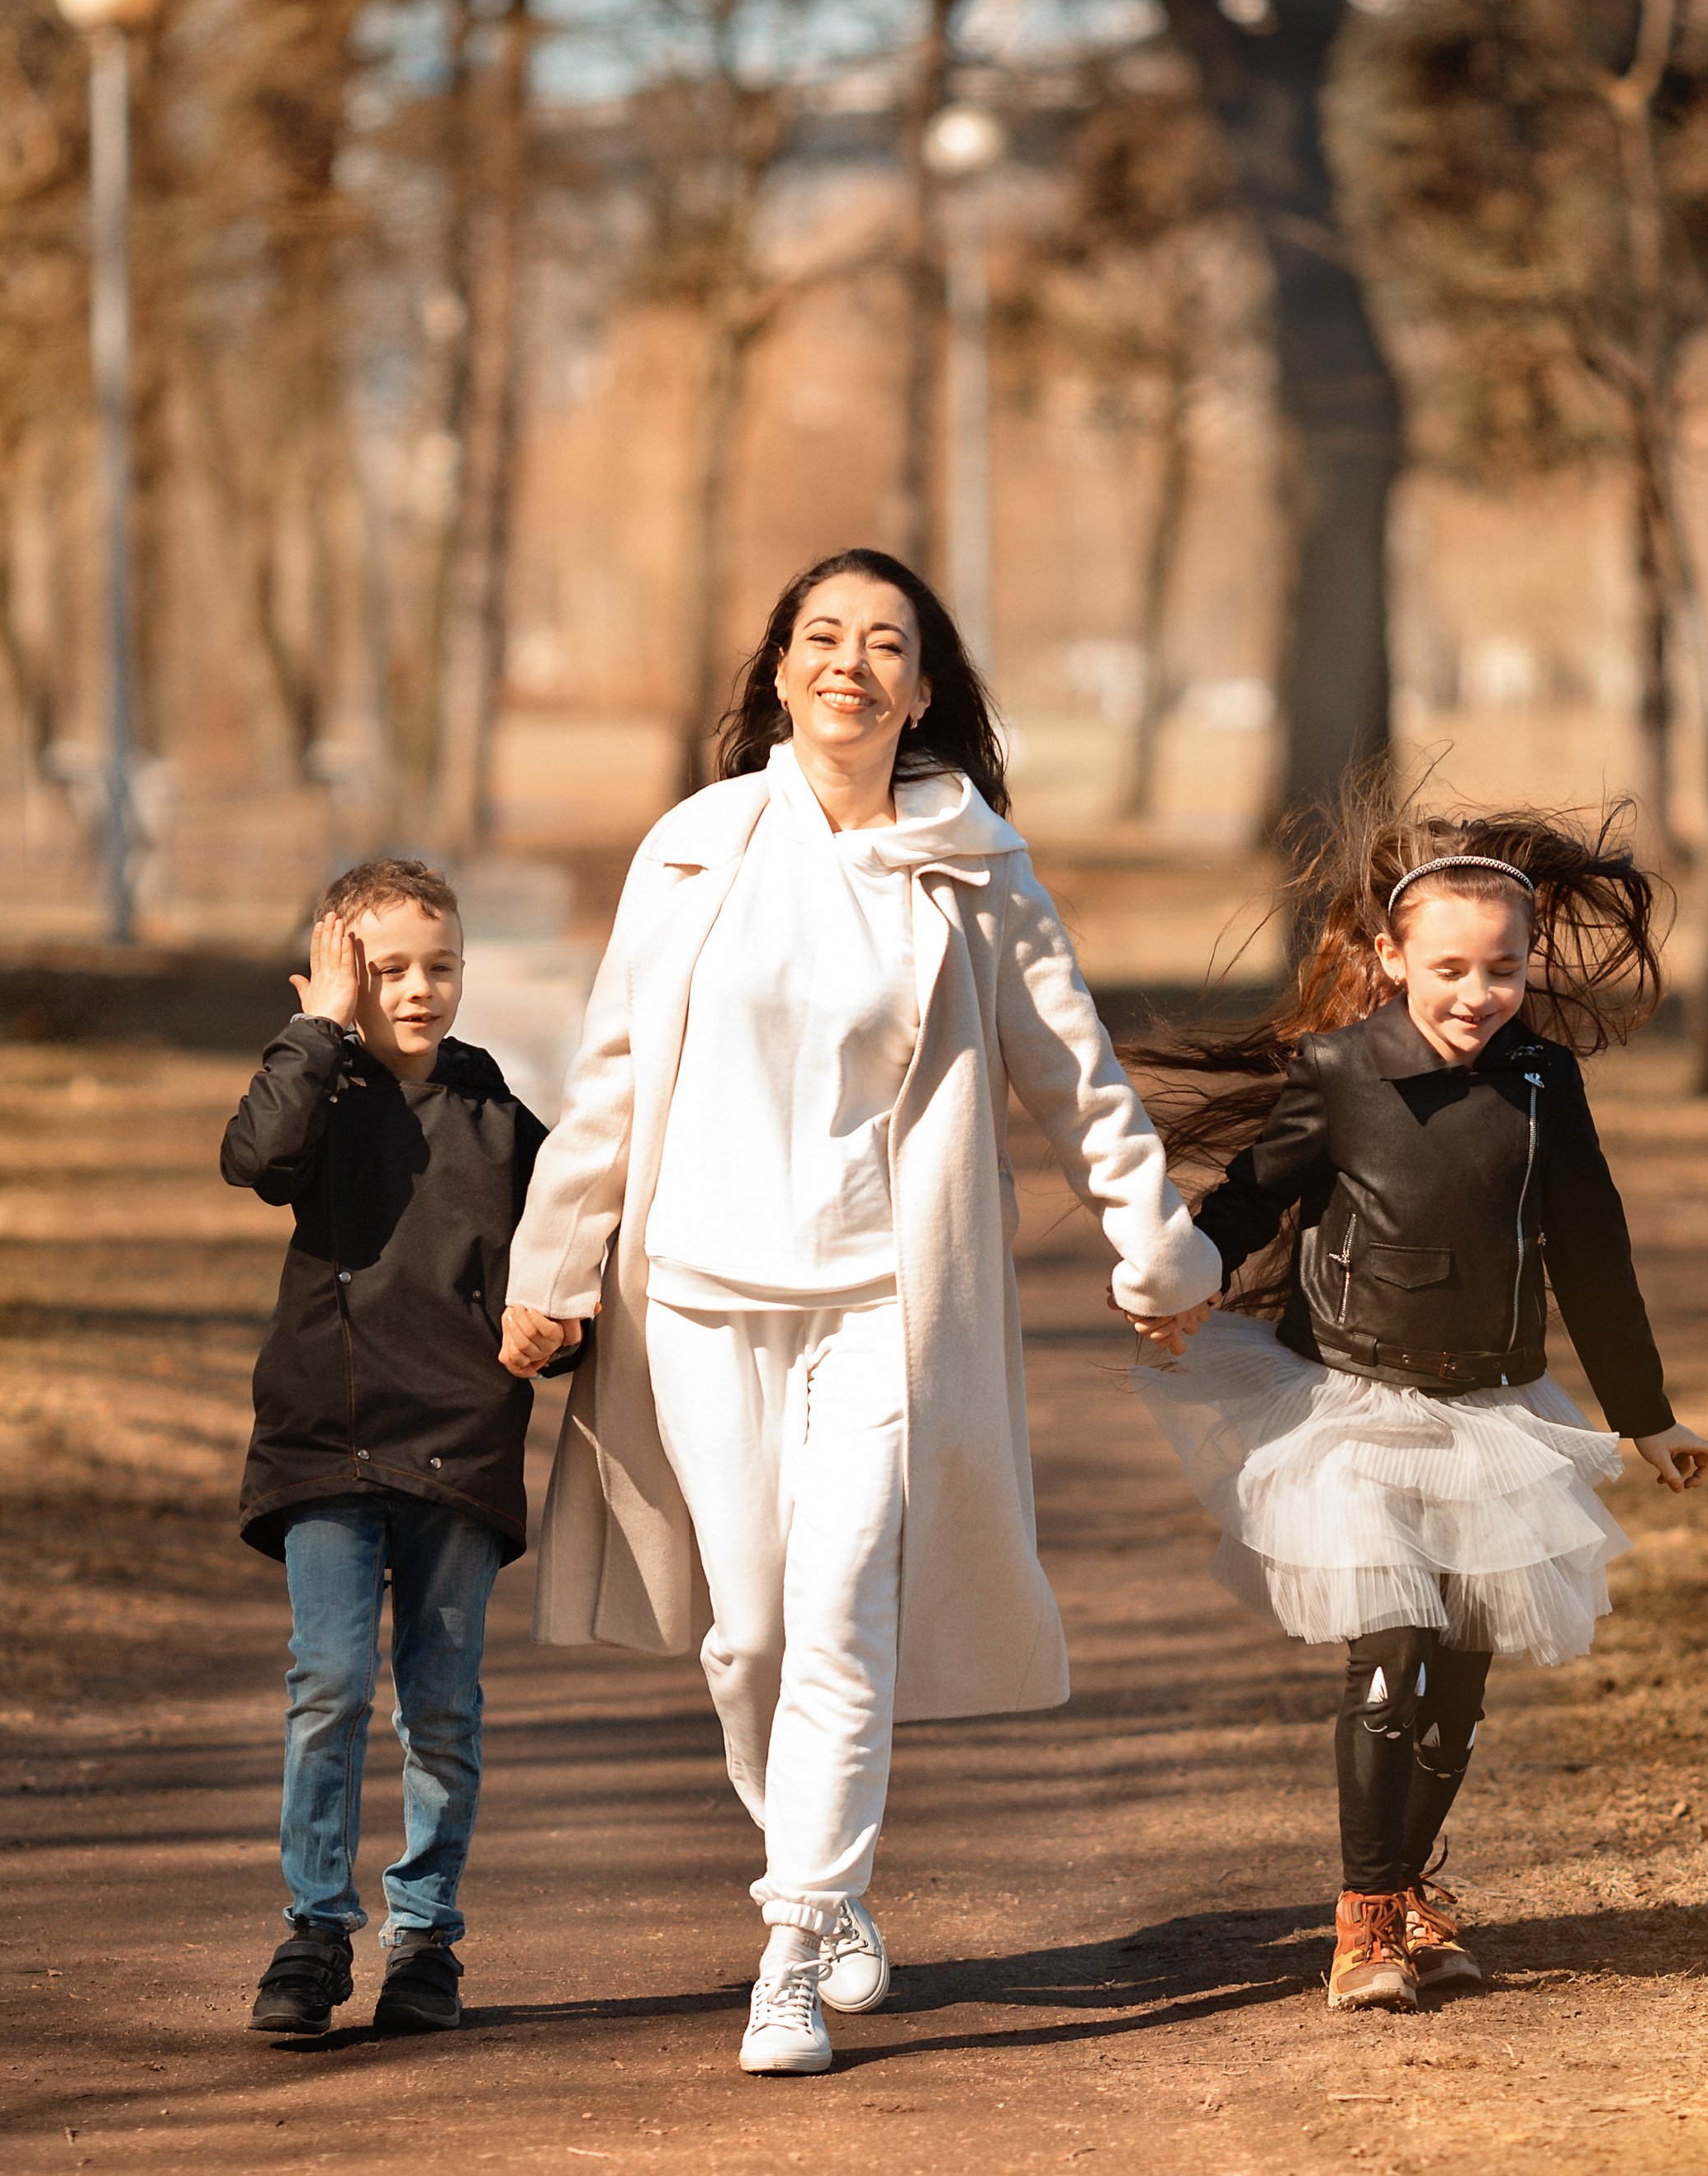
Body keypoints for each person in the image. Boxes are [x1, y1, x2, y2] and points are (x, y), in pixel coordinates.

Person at [497, 548, 1222, 2075]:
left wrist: (1154, 1251)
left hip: (890, 1299)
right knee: (747, 1630)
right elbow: (615, 1075)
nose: (850, 663)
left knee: (838, 1611)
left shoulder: (976, 865)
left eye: (885, 643)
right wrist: (551, 1270)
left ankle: (792, 1942)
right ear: (779, 672)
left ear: (924, 685)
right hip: (698, 1292)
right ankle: (819, 1884)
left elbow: (1075, 1076)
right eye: (822, 637)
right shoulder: (695, 847)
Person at [1122, 797, 1708, 2013]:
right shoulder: (1342, 1071)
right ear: (1394, 961)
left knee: (1460, 1682)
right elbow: (1252, 1197)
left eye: (1503, 970)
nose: (1476, 994)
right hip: (1356, 1408)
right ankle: (1362, 1924)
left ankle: (1408, 1895)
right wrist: (1182, 1277)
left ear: (1528, 965)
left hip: (1496, 1415)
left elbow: (1592, 1255)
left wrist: (1647, 1415)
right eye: (1449, 968)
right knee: (1389, 1663)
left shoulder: (1546, 1083)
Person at [222, 857, 578, 2044]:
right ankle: (313, 1932)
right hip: (329, 1440)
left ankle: (424, 1939)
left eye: (440, 966)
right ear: (333, 980)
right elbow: (258, 1159)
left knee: (441, 1707)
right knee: (327, 1685)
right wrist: (317, 1029)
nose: (417, 990)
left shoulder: (497, 1117)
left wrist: (560, 1322)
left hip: (460, 1450)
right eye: (384, 971)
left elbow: (571, 1261)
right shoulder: (317, 1092)